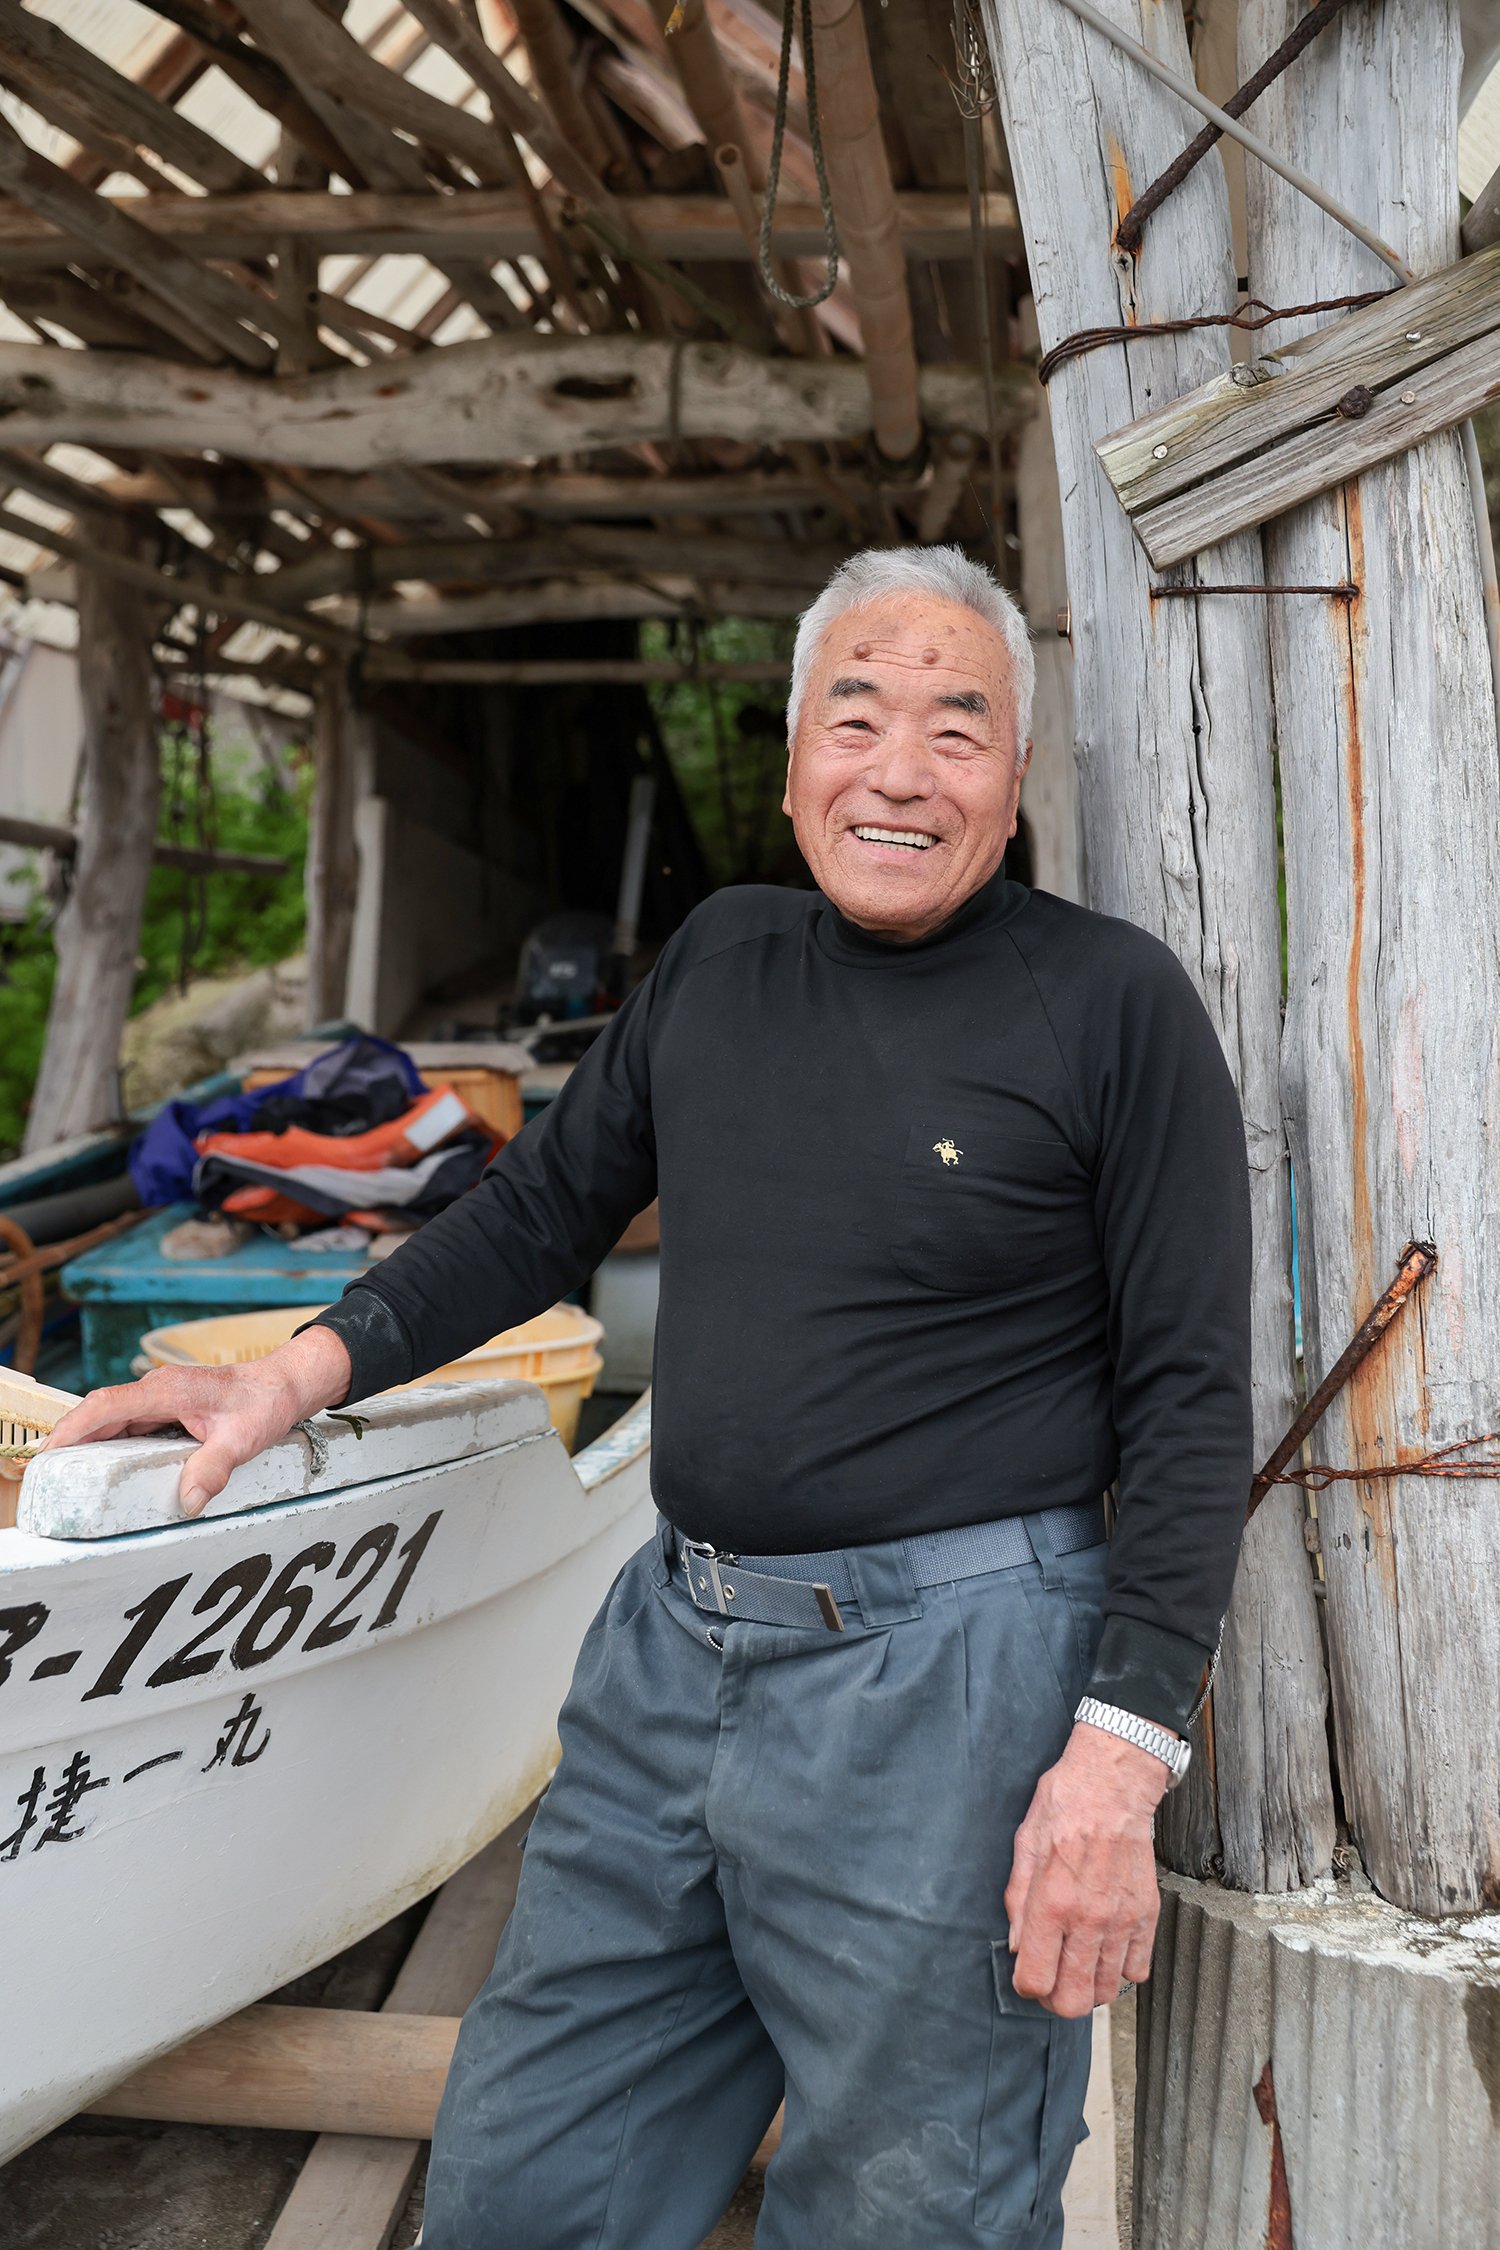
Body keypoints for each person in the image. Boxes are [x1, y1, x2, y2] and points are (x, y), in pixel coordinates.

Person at [49, 547, 1252, 2249]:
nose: (901, 771)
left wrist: (1116, 1763)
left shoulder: (1114, 1007)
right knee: (526, 2180)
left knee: (911, 2212)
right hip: (673, 1650)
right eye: (858, 716)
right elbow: (539, 1212)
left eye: (957, 727)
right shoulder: (721, 956)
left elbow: (1195, 1400)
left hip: (954, 1689)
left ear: (1017, 772)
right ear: (794, 756)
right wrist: (286, 1375)